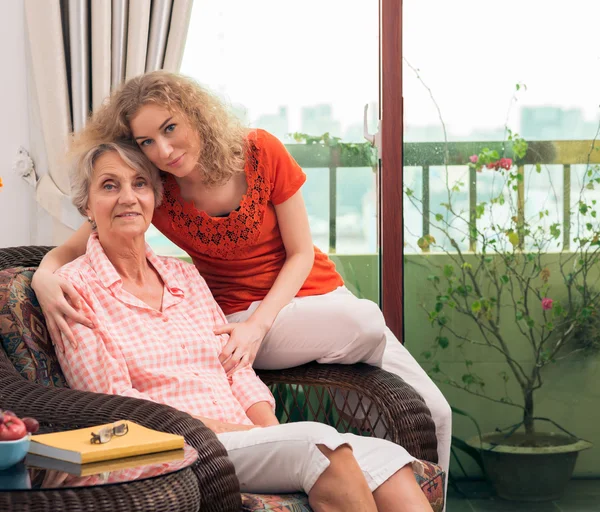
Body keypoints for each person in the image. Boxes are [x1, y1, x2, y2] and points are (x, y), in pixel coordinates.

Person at [31, 71, 451, 476]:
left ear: (195, 114)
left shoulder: (259, 151)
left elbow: (301, 253)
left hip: (311, 305)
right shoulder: (154, 186)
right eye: (147, 141)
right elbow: (80, 242)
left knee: (435, 413)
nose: (163, 149)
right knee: (364, 323)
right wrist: (42, 278)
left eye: (170, 128)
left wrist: (260, 325)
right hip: (238, 323)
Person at [53, 139, 433, 512]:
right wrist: (251, 435)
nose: (128, 197)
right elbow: (114, 403)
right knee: (321, 447)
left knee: (389, 462)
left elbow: (236, 367)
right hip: (181, 444)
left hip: (250, 440)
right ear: (86, 204)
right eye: (109, 185)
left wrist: (270, 433)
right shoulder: (73, 288)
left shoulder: (183, 276)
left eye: (139, 184)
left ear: (155, 197)